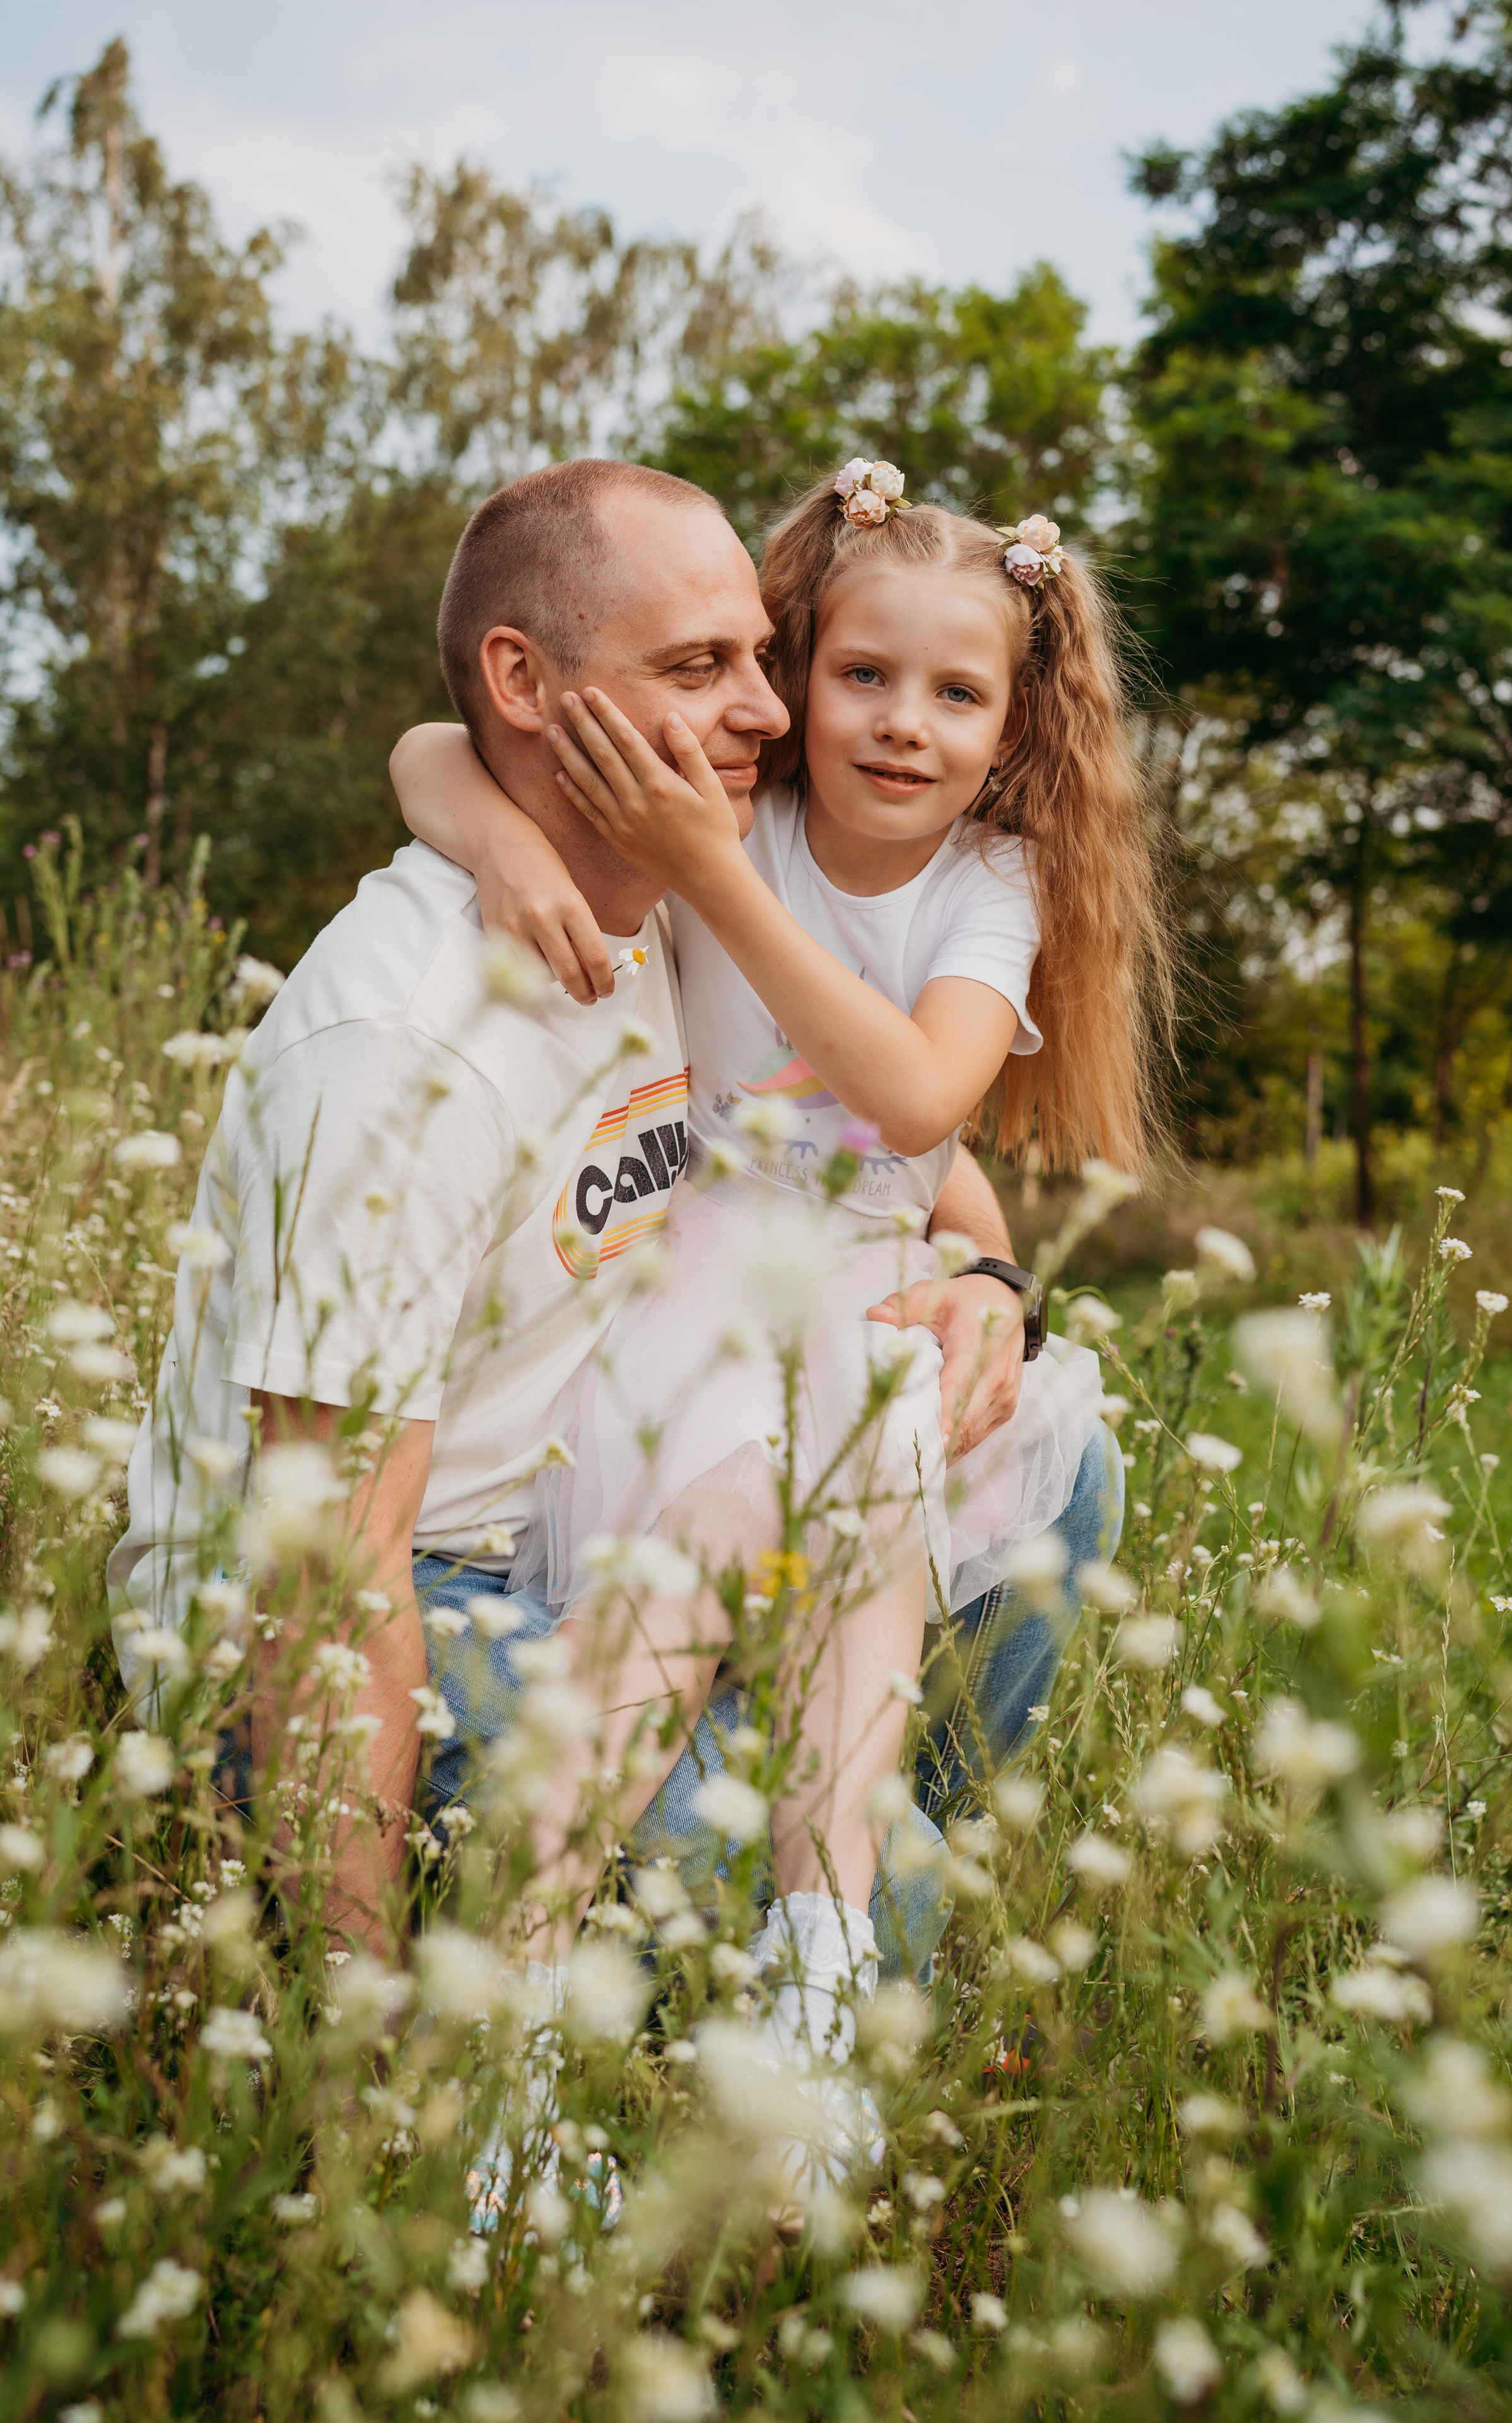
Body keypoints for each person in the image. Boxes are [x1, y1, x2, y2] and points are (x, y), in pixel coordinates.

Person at [107, 459, 1048, 1978]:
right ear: (525, 682)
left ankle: (830, 1822)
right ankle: (738, 1934)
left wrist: (988, 1272)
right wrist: (348, 2051)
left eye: (762, 655)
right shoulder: (401, 1061)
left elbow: (861, 1108)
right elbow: (323, 1585)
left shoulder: (665, 889)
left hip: (594, 1495)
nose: (768, 710)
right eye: (700, 668)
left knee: (1055, 1468)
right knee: (912, 1920)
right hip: (403, 1591)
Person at [390, 458, 1168, 2077]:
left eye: (956, 693)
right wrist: (503, 846)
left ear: (1011, 729)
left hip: (862, 1305)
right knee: (695, 1570)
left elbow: (908, 1107)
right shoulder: (741, 811)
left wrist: (992, 1273)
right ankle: (525, 1999)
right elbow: (431, 742)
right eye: (861, 674)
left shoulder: (988, 883)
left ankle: (825, 1954)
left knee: (986, 1476)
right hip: (690, 1299)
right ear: (800, 671)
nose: (900, 722)